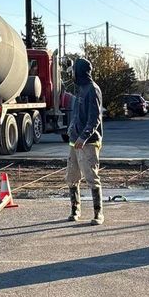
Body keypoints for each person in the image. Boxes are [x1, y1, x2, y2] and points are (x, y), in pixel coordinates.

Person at [66, 57, 104, 225]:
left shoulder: (93, 90)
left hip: (88, 142)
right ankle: (75, 210)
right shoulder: (80, 89)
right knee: (72, 176)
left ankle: (98, 213)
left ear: (80, 71)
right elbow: (77, 114)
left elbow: (94, 118)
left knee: (91, 177)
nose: (71, 73)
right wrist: (71, 130)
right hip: (74, 142)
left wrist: (83, 136)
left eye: (74, 70)